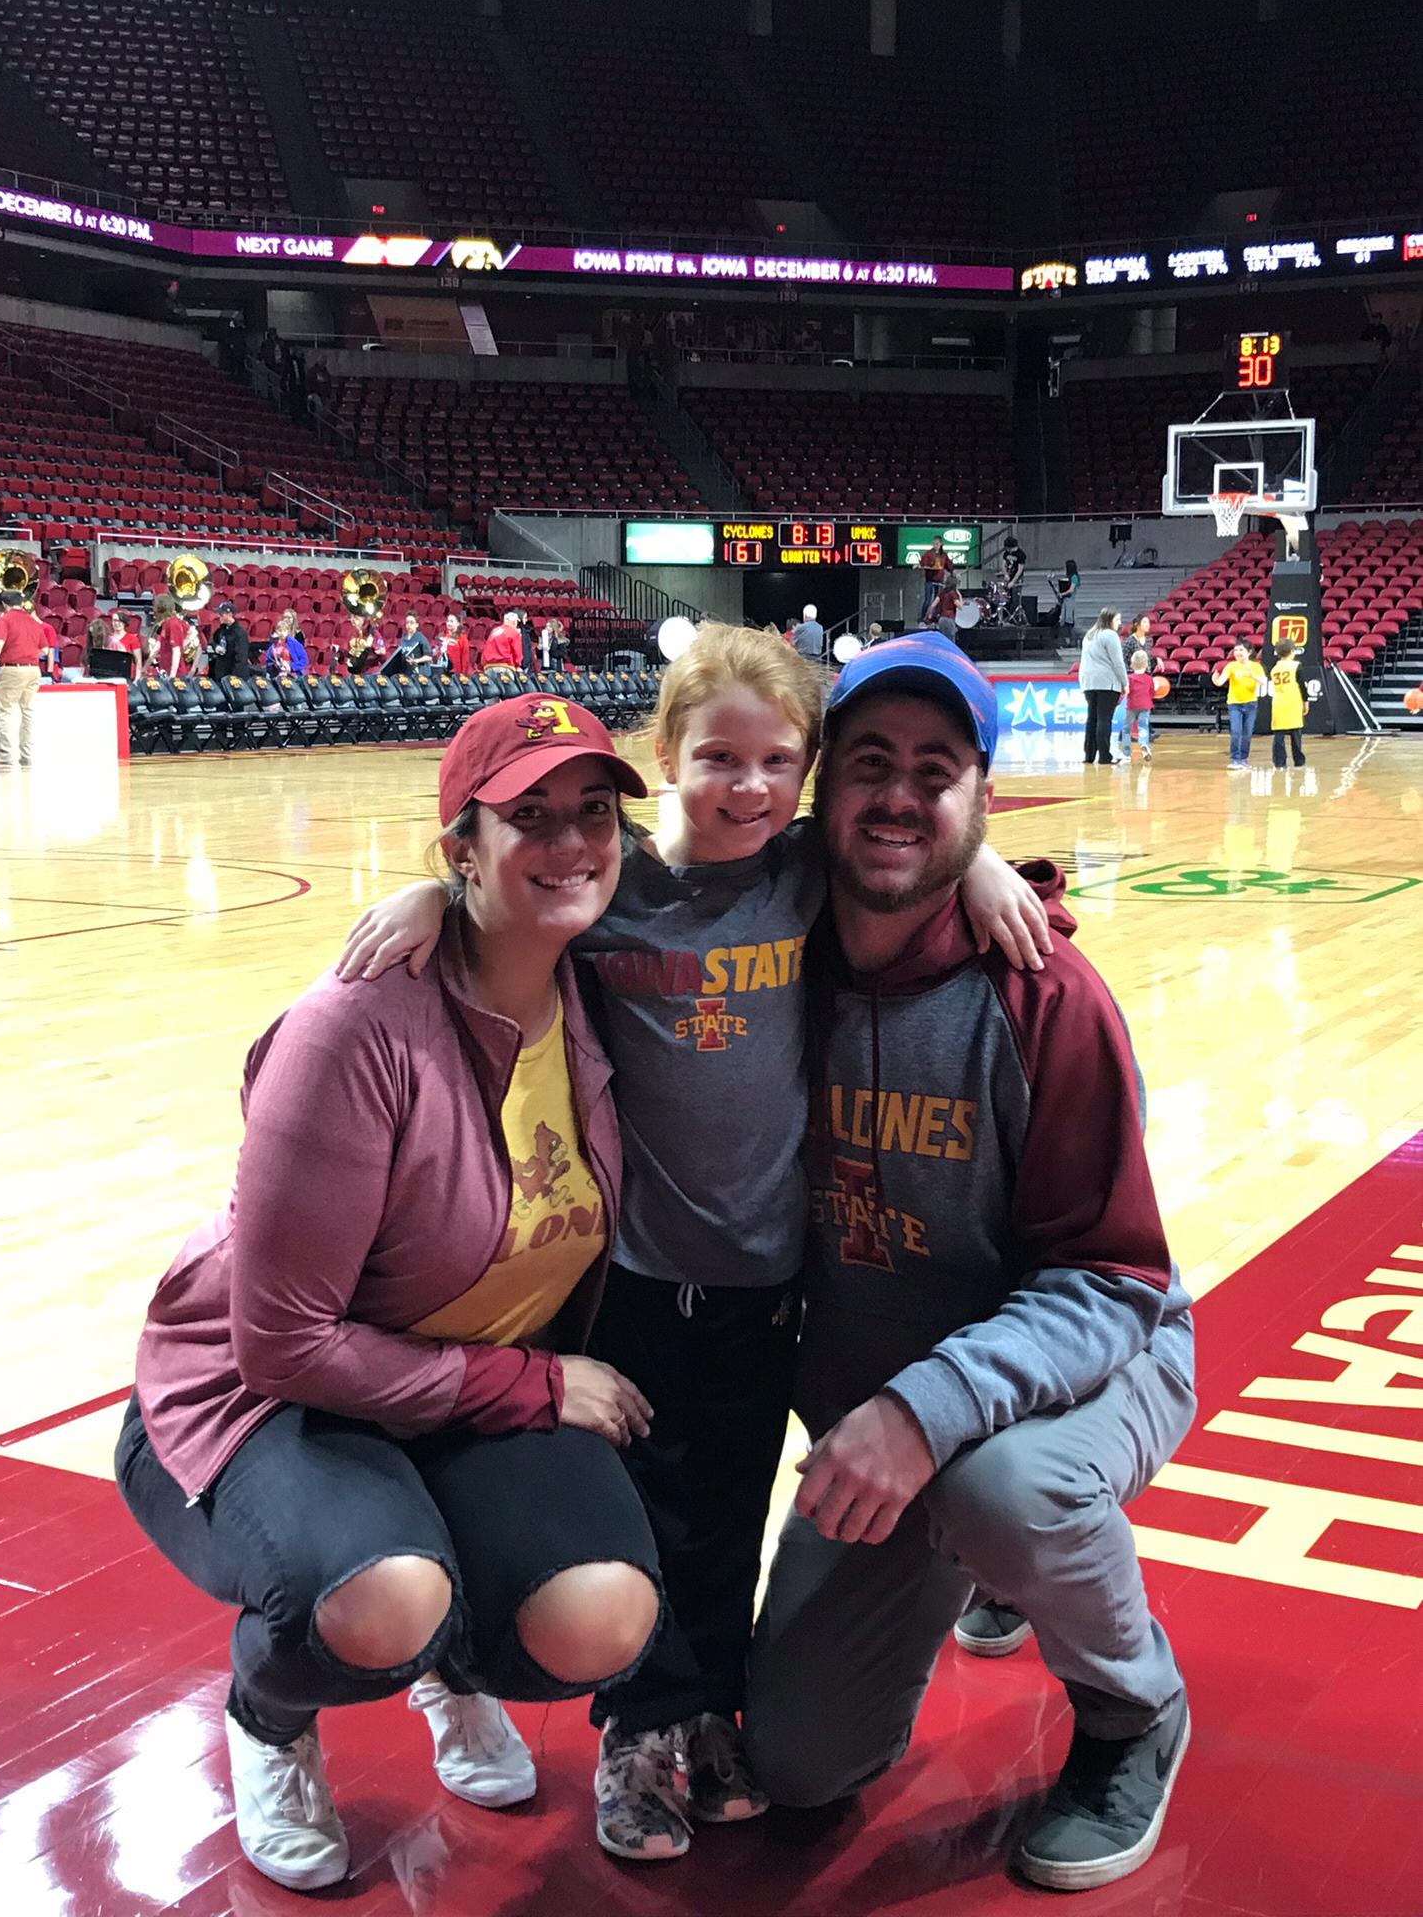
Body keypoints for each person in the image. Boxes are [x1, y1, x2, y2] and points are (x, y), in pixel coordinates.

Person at [336, 625, 1053, 1865]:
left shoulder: (803, 876)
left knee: (728, 1511)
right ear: (666, 755)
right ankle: (637, 1726)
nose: (750, 786)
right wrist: (426, 892)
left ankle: (707, 1716)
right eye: (719, 756)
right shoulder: (614, 893)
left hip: (770, 1281)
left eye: (780, 761)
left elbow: (924, 865)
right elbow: (504, 901)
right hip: (637, 1282)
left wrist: (994, 875)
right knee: (647, 1511)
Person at [114, 696, 663, 1894]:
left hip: (448, 1395)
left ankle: (449, 1669)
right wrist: (535, 1380)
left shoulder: (597, 986)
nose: (572, 843)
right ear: (461, 848)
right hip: (268, 1400)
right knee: (380, 1595)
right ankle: (269, 1715)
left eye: (593, 815)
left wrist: (983, 864)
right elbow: (282, 1342)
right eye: (529, 818)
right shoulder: (357, 1030)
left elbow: (781, 865)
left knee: (600, 1612)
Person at [741, 633, 1196, 1896]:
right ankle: (980, 1555)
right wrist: (436, 900)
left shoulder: (1046, 995)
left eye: (935, 773)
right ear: (824, 786)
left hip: (1102, 1342)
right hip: (896, 1398)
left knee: (1007, 1490)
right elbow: (611, 889)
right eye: (869, 762)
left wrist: (916, 1411)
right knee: (797, 1763)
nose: (897, 794)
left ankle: (1130, 1706)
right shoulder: (763, 961)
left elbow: (1108, 1276)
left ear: (980, 798)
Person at [0, 588, 48, 768]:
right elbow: (45, 650)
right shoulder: (34, 621)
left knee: (5, 711)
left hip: (12, 670)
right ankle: (26, 753)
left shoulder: (4, 620)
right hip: (33, 670)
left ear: (4, 603)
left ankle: (5, 753)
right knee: (27, 712)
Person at [1078, 609, 1126, 766]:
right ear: (1109, 620)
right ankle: (1105, 756)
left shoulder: (1089, 635)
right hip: (1106, 682)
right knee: (1105, 719)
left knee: (1092, 718)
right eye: (1117, 620)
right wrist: (1125, 682)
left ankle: (1089, 755)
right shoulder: (1110, 635)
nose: (1119, 624)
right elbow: (1118, 662)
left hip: (1088, 682)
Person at [1117, 617, 1164, 755]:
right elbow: (1122, 659)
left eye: (1148, 622)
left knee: (1141, 707)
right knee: (1136, 708)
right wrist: (1130, 674)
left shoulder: (1149, 641)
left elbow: (1148, 657)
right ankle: (1141, 735)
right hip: (1133, 677)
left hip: (1146, 677)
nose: (1147, 625)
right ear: (1137, 624)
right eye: (1144, 622)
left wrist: (1157, 659)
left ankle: (1141, 734)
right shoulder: (1129, 641)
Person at [1211, 641, 1261, 769]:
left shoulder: (1256, 666)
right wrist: (1215, 680)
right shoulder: (1231, 666)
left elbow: (1263, 681)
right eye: (1236, 650)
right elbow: (1221, 681)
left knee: (1247, 732)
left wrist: (1252, 675)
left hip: (1251, 703)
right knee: (1236, 731)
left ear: (1249, 652)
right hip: (1234, 703)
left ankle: (1244, 758)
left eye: (1241, 650)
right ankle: (1235, 759)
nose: (1237, 653)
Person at [1267, 639, 1308, 768]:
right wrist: (1305, 701)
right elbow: (1302, 686)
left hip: (1278, 702)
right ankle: (1298, 760)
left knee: (1278, 735)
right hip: (1293, 701)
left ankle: (1279, 762)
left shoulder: (1274, 669)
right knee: (1296, 733)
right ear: (1292, 651)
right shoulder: (1296, 666)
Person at [150, 593, 194, 678]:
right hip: (166, 671)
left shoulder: (173, 624)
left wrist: (172, 676)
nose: (153, 611)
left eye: (155, 607)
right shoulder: (166, 624)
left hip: (177, 674)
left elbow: (176, 650)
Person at [208, 602, 252, 681]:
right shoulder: (222, 629)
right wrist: (216, 647)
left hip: (233, 674)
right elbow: (213, 640)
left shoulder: (239, 633)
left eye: (222, 614)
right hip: (221, 672)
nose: (219, 616)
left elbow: (241, 658)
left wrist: (234, 678)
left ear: (229, 614)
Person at [1124, 650, 1156, 759]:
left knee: (1126, 728)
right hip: (1145, 705)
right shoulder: (1149, 679)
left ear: (1132, 664)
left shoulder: (1129, 678)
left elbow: (1126, 692)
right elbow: (1152, 692)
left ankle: (1127, 751)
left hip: (1131, 706)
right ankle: (1143, 745)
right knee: (1143, 727)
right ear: (1146, 664)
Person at [266, 609, 310, 678]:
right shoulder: (273, 643)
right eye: (285, 617)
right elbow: (268, 659)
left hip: (292, 674)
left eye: (289, 618)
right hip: (276, 674)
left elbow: (304, 659)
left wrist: (291, 666)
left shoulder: (295, 642)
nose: (287, 620)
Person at [919, 537, 953, 619]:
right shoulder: (928, 553)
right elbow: (922, 563)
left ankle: (934, 617)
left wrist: (953, 572)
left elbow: (949, 565)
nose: (935, 546)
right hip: (929, 580)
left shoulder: (944, 555)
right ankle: (923, 617)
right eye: (934, 544)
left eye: (937, 544)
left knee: (937, 600)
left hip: (939, 581)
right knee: (927, 600)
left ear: (941, 544)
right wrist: (920, 565)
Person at [108, 611, 142, 676]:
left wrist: (137, 678)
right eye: (114, 620)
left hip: (127, 673)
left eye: (120, 621)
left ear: (124, 622)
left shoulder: (133, 638)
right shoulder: (108, 638)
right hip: (111, 672)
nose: (117, 623)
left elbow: (138, 661)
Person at [1051, 559, 1080, 631]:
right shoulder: (1069, 577)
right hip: (1066, 600)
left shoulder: (1074, 577)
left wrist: (1062, 594)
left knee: (1068, 619)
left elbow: (1071, 590)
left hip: (1070, 600)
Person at [440, 612, 471, 676]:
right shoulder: (445, 636)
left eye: (451, 621)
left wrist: (463, 673)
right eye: (448, 621)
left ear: (458, 624)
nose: (448, 623)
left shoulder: (462, 638)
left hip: (456, 672)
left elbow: (465, 657)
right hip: (444, 669)